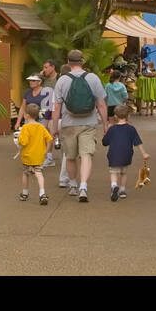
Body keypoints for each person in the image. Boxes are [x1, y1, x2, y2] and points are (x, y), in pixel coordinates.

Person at [51, 48, 108, 202]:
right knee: (86, 155)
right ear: (82, 61)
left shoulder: (62, 80)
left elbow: (56, 108)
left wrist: (55, 128)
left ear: (68, 62)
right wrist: (105, 125)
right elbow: (101, 105)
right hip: (89, 123)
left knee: (70, 157)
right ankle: (84, 186)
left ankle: (73, 184)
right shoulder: (93, 78)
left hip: (68, 124)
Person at [102, 103, 148, 201]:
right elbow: (138, 142)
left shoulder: (112, 129)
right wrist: (144, 153)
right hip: (126, 155)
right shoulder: (131, 129)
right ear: (128, 116)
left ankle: (114, 186)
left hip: (113, 155)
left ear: (115, 116)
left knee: (114, 172)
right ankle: (122, 190)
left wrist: (105, 135)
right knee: (123, 173)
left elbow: (105, 142)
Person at [16, 103, 53, 205]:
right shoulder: (41, 127)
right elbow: (49, 139)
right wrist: (47, 151)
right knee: (39, 173)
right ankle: (42, 193)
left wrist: (18, 141)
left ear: (27, 115)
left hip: (27, 156)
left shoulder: (25, 128)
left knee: (26, 173)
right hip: (39, 155)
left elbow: (23, 142)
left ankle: (25, 193)